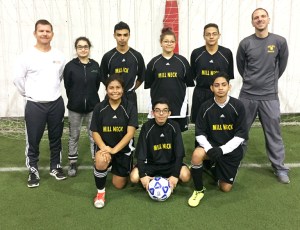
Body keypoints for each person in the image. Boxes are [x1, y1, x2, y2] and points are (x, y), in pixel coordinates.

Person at [236, 8, 290, 184]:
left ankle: (280, 169)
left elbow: (281, 66)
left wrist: (268, 83)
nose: (259, 20)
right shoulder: (245, 43)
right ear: (252, 22)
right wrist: (252, 81)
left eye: (262, 17)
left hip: (269, 97)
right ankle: (233, 164)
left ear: (268, 19)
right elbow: (241, 66)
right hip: (247, 96)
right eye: (256, 18)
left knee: (274, 133)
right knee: (240, 132)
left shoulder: (279, 41)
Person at [13, 19, 66, 188]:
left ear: (52, 34)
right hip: (35, 105)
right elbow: (18, 80)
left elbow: (59, 77)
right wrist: (29, 95)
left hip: (55, 104)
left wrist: (50, 93)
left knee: (56, 138)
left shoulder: (59, 55)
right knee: (33, 139)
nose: (44, 34)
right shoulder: (26, 56)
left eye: (47, 31)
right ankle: (33, 169)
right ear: (35, 33)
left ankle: (55, 166)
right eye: (41, 31)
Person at [188, 72, 248, 207]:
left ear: (229, 87)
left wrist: (222, 150)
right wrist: (209, 149)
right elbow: (200, 133)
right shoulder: (205, 106)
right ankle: (198, 189)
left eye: (223, 85)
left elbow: (241, 135)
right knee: (197, 155)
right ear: (211, 88)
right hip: (212, 146)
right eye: (217, 85)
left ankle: (217, 168)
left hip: (230, 149)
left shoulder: (238, 106)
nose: (220, 88)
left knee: (225, 188)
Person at [90, 74, 138, 208]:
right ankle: (100, 193)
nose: (115, 91)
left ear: (123, 89)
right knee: (100, 159)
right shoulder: (99, 107)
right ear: (106, 90)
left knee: (119, 185)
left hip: (122, 150)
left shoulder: (130, 107)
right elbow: (95, 132)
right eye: (111, 88)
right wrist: (104, 148)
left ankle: (127, 166)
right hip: (105, 148)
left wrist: (114, 150)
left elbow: (130, 133)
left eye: (118, 87)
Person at [130, 98, 190, 192]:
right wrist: (142, 175)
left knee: (186, 176)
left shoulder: (175, 126)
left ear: (169, 113)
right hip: (151, 165)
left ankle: (167, 179)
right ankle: (152, 178)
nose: (161, 114)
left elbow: (179, 154)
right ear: (153, 113)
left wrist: (174, 175)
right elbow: (141, 154)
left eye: (164, 110)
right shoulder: (147, 127)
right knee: (134, 177)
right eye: (157, 110)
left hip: (170, 164)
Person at [63, 37, 102, 177]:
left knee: (94, 136)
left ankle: (96, 160)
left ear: (89, 48)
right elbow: (68, 86)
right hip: (75, 108)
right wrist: (76, 99)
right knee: (74, 135)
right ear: (76, 49)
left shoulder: (95, 66)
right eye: (80, 47)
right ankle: (72, 162)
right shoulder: (70, 66)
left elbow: (97, 85)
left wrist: (90, 98)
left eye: (85, 46)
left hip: (93, 107)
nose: (83, 49)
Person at [144, 27, 194, 132]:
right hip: (158, 109)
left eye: (172, 41)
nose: (169, 44)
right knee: (157, 135)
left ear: (175, 43)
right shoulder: (153, 63)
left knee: (177, 136)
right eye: (166, 41)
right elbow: (149, 84)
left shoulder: (183, 62)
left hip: (178, 107)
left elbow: (188, 83)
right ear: (161, 43)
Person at [190, 23, 234, 123]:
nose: (211, 36)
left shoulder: (227, 53)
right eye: (208, 34)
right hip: (201, 93)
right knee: (200, 123)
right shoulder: (196, 53)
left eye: (214, 34)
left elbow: (228, 77)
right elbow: (192, 75)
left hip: (219, 93)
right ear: (204, 36)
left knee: (219, 123)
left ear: (219, 35)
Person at [99, 21, 146, 109]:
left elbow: (141, 77)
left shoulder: (136, 56)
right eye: (119, 35)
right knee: (111, 122)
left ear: (129, 35)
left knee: (131, 122)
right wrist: (114, 90)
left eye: (125, 35)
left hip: (130, 97)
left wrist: (131, 89)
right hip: (112, 97)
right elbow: (103, 76)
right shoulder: (108, 56)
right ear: (114, 36)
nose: (122, 38)